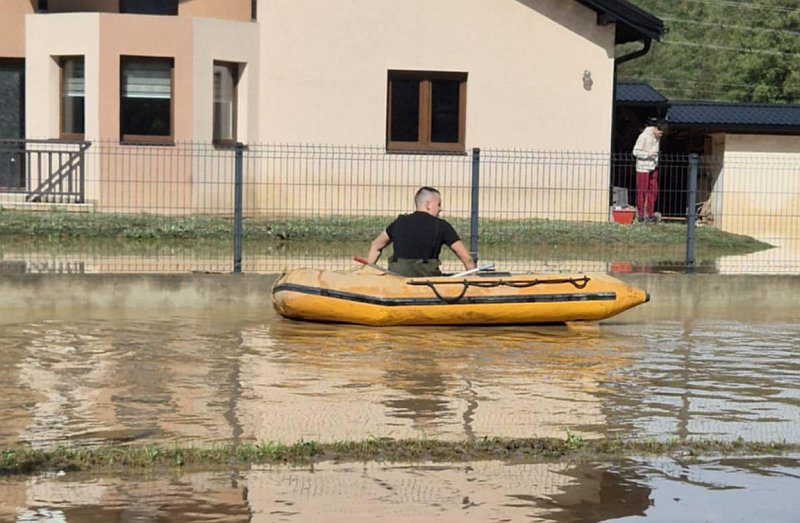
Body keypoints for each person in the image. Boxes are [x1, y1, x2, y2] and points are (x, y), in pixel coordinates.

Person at [367, 186, 477, 277]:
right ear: (428, 205)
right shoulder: (442, 226)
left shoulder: (399, 222)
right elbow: (467, 259)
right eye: (438, 204)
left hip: (397, 283)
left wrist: (367, 273)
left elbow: (376, 246)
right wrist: (475, 281)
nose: (440, 209)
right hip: (427, 285)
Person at [632, 118, 665, 223]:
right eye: (660, 132)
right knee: (642, 191)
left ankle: (650, 213)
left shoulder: (657, 138)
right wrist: (648, 155)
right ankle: (641, 215)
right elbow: (635, 152)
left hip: (653, 166)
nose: (661, 135)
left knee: (654, 190)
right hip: (643, 167)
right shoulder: (643, 137)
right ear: (655, 129)